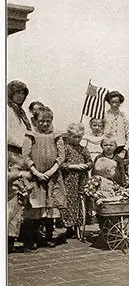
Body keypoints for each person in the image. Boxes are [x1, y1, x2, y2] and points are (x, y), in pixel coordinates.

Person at [22, 106, 67, 249]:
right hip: (36, 177)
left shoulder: (56, 135)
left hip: (52, 177)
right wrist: (37, 172)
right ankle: (33, 238)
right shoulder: (30, 135)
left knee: (51, 208)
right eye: (41, 121)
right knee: (36, 207)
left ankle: (48, 237)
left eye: (48, 121)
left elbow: (61, 156)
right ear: (35, 121)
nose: (45, 124)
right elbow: (26, 156)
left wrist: (51, 171)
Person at [60, 123, 93, 239]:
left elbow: (90, 161)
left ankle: (81, 221)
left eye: (79, 137)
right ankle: (70, 226)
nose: (77, 140)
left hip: (82, 178)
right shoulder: (65, 148)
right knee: (70, 201)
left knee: (82, 199)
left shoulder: (83, 149)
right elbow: (61, 164)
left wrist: (86, 165)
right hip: (70, 179)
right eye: (74, 137)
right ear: (69, 136)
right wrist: (73, 166)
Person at [7, 152, 33, 253]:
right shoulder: (10, 175)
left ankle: (10, 244)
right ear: (10, 166)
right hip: (9, 200)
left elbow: (27, 186)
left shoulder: (19, 177)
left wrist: (26, 189)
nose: (21, 172)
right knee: (7, 219)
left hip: (17, 201)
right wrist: (19, 174)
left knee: (15, 222)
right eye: (18, 168)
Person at [104, 90, 129, 166]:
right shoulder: (104, 116)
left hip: (121, 148)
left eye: (116, 102)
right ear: (109, 102)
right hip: (108, 148)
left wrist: (124, 150)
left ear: (120, 103)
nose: (114, 104)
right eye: (112, 102)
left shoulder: (123, 116)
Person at [7, 80, 31, 154]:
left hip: (21, 150)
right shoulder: (6, 109)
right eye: (17, 92)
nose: (20, 96)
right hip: (11, 151)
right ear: (11, 92)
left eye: (23, 93)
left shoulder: (20, 111)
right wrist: (22, 143)